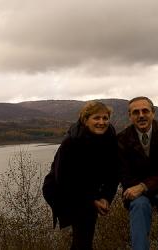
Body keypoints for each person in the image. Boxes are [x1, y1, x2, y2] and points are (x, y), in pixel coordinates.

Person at [42, 101, 120, 249]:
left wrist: (105, 197)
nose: (101, 122)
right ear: (85, 120)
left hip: (87, 188)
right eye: (96, 118)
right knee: (84, 226)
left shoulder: (110, 138)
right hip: (61, 189)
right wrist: (92, 200)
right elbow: (64, 179)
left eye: (105, 118)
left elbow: (113, 173)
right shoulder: (71, 142)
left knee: (85, 232)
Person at [117, 96, 158, 250]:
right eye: (136, 112)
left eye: (145, 111)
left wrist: (146, 186)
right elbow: (125, 175)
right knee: (139, 205)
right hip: (138, 193)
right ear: (130, 116)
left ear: (153, 113)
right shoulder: (121, 139)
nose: (141, 115)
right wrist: (147, 189)